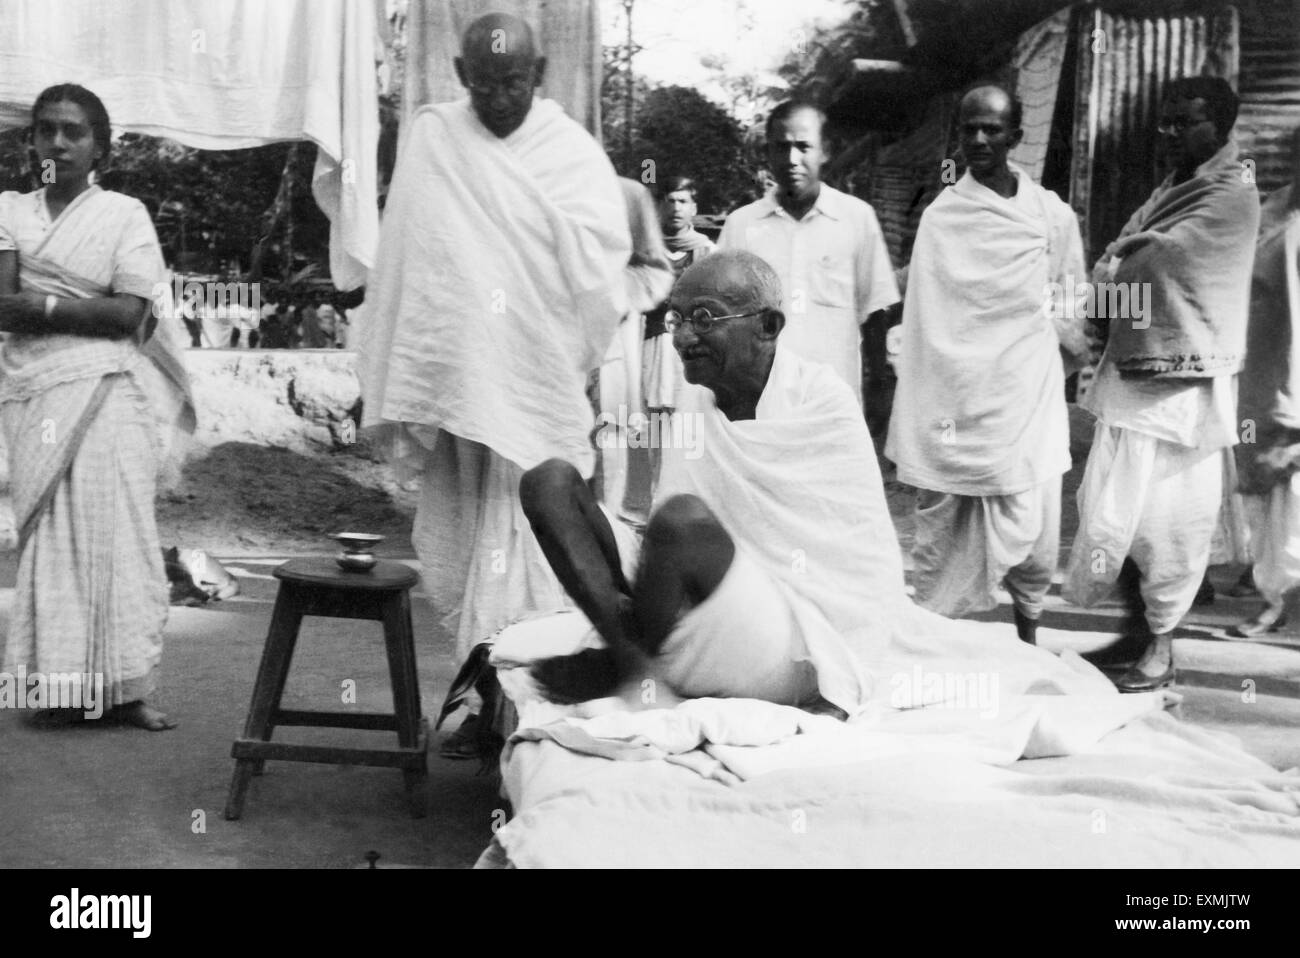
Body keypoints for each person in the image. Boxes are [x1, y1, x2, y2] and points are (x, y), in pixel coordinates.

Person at [519, 251, 1102, 711]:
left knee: (682, 523)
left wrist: (668, 569)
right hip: (691, 606)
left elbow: (852, 564)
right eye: (676, 320)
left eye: (704, 319)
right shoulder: (694, 406)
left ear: (769, 325)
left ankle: (630, 661)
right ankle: (630, 661)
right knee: (549, 482)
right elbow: (658, 538)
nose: (683, 338)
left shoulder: (823, 400)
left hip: (791, 636)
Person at [355, 13, 629, 750]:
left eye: (513, 81)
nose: (499, 96)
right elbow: (418, 263)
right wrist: (438, 363)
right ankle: (487, 705)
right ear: (458, 72)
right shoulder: (436, 139)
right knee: (478, 539)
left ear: (538, 76)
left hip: (538, 386)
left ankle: (540, 710)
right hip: (466, 387)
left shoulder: (570, 153)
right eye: (484, 81)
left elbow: (604, 263)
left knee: (546, 545)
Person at [0, 84, 193, 730]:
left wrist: (46, 306)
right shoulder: (10, 212)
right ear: (30, 142)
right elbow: (3, 305)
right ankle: (54, 684)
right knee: (50, 538)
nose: (58, 141)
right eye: (47, 129)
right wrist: (79, 308)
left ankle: (128, 687)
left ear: (99, 147)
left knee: (117, 534)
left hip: (108, 388)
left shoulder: (124, 215)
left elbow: (132, 312)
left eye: (74, 132)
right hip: (33, 388)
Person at [1063, 76, 1260, 691]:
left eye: (1187, 122)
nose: (1171, 132)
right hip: (1131, 379)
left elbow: (1166, 262)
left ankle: (1164, 651)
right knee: (1111, 513)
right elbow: (1130, 254)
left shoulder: (1234, 191)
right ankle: (1134, 633)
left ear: (1221, 127)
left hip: (1184, 387)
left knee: (1169, 522)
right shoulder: (1169, 190)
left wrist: (1121, 263)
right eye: (1167, 121)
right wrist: (1123, 262)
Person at [885, 85, 1089, 645]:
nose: (978, 139)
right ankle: (931, 642)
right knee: (941, 533)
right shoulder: (943, 216)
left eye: (992, 129)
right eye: (969, 128)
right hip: (954, 400)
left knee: (1037, 535)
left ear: (1015, 137)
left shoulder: (1051, 215)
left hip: (1024, 399)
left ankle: (1031, 637)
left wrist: (1043, 360)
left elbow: (1071, 304)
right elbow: (928, 318)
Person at [717, 100, 899, 407]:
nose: (792, 158)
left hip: (835, 397)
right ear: (767, 153)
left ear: (825, 150)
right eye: (781, 147)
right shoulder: (741, 225)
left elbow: (875, 310)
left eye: (804, 146)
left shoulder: (856, 218)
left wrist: (879, 386)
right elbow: (722, 314)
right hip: (763, 399)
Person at [1232, 125, 1300, 637]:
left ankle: (1289, 601)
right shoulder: (1269, 211)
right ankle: (1274, 594)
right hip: (1264, 367)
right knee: (1263, 484)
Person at [621, 175, 715, 525]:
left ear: (694, 207)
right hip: (652, 346)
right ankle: (653, 503)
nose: (675, 208)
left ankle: (689, 503)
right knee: (654, 424)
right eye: (669, 200)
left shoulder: (708, 253)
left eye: (683, 201)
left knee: (690, 423)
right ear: (658, 206)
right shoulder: (645, 251)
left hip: (692, 351)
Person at [592, 178, 673, 523]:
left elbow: (654, 274)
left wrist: (610, 298)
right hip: (540, 337)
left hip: (609, 335)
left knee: (610, 431)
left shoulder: (627, 194)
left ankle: (606, 528)